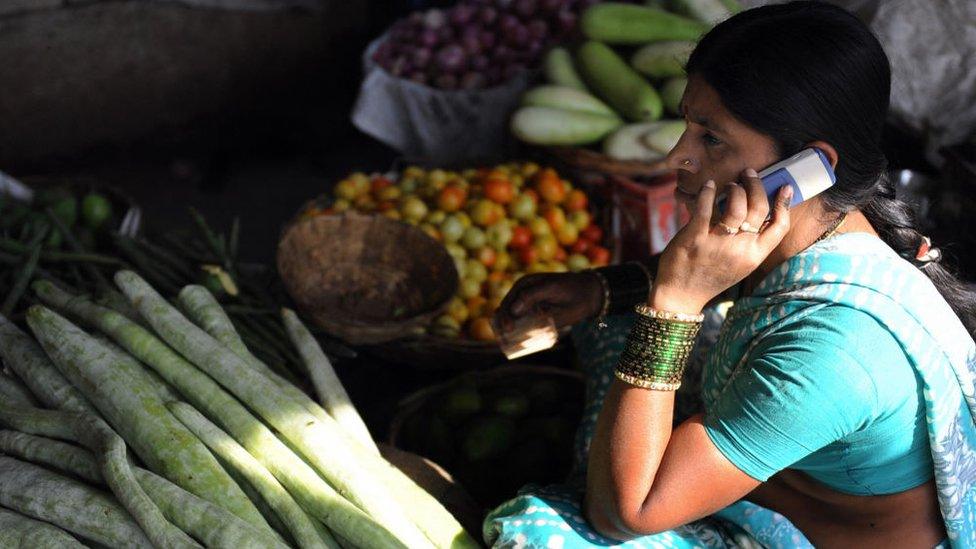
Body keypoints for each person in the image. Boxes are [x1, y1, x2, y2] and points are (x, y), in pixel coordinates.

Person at [486, 2, 976, 548]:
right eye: (687, 125)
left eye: (710, 139)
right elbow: (717, 271)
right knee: (615, 324)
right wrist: (600, 290)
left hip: (797, 537)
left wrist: (673, 302)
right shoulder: (825, 228)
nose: (678, 156)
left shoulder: (837, 350)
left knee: (533, 530)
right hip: (780, 484)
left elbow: (625, 512)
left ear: (807, 167)